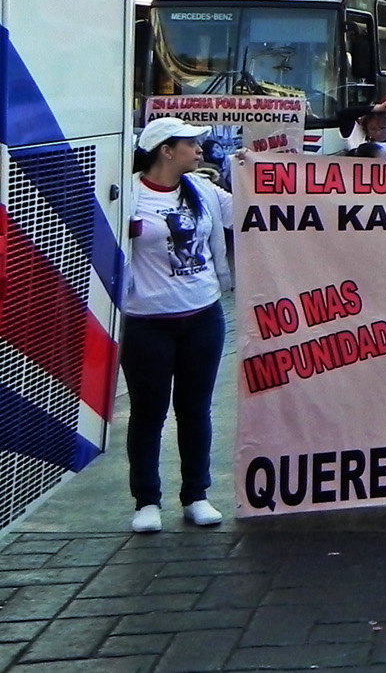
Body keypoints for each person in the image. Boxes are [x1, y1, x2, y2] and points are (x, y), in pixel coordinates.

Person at [123, 117, 234, 533]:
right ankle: (147, 500)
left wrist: (256, 169)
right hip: (146, 323)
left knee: (195, 409)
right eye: (191, 144)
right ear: (166, 151)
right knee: (149, 413)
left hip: (203, 316)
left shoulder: (202, 190)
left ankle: (197, 495)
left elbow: (249, 204)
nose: (200, 150)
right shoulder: (128, 194)